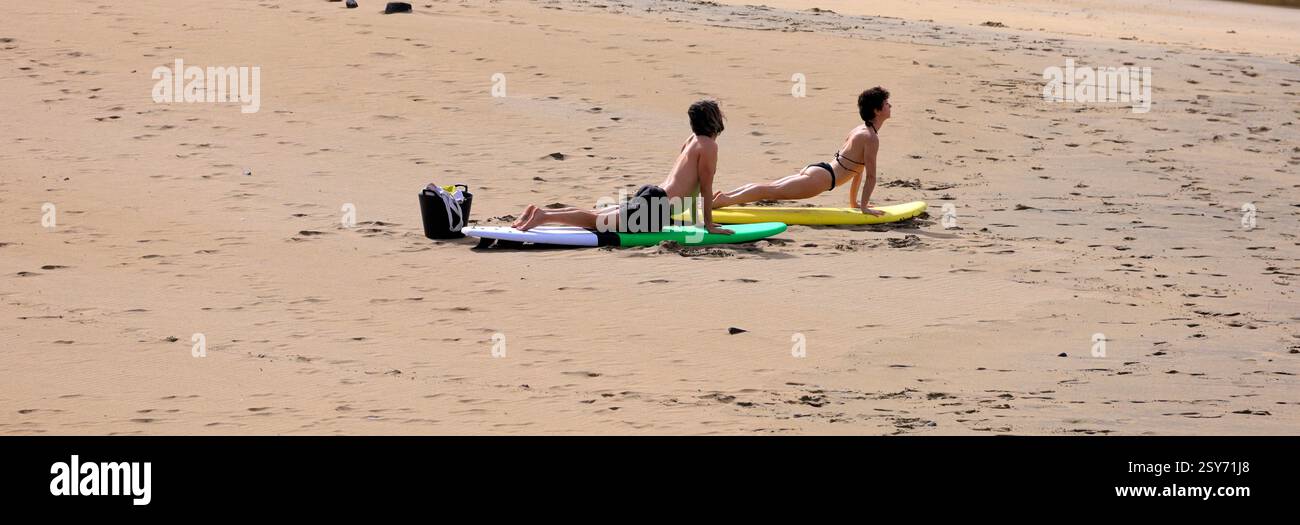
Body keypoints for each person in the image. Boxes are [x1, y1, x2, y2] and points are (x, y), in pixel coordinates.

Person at [512, 99, 733, 234]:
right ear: (714, 121)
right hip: (658, 206)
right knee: (596, 221)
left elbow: (687, 182)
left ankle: (539, 212)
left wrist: (693, 220)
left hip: (653, 195)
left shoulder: (692, 139)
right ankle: (544, 216)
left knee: (596, 214)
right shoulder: (709, 146)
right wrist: (709, 224)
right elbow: (705, 188)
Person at [710, 87, 891, 216]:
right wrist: (865, 207)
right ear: (876, 110)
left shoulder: (860, 130)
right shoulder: (871, 138)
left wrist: (855, 203)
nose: (890, 106)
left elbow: (856, 169)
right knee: (770, 191)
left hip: (820, 170)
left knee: (770, 187)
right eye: (886, 103)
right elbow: (871, 176)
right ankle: (724, 200)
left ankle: (724, 196)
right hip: (822, 179)